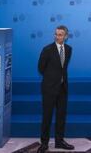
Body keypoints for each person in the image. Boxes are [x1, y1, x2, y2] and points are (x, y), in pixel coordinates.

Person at [37, 25, 74, 153]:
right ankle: (44, 143)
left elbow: (63, 69)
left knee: (61, 116)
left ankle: (59, 141)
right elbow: (41, 68)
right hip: (49, 89)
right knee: (47, 116)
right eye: (56, 34)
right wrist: (51, 80)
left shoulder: (69, 49)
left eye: (60, 34)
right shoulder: (47, 49)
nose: (57, 36)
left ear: (66, 36)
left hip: (63, 89)